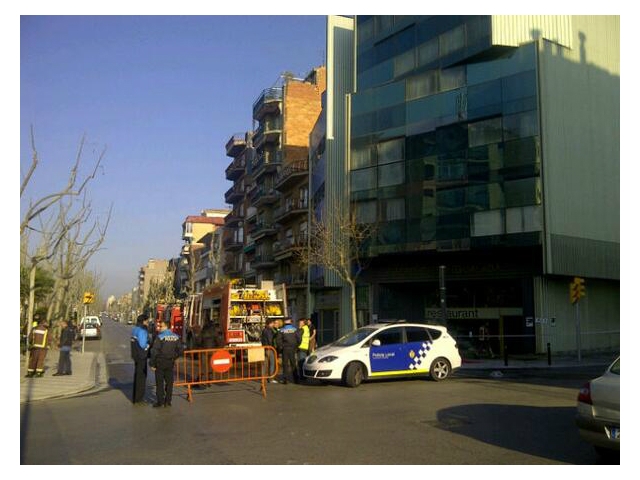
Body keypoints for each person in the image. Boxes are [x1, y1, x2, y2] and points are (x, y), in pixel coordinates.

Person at [150, 319, 184, 407]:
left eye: (161, 326)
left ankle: (160, 402)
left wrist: (152, 364)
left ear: (166, 327)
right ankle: (168, 401)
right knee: (169, 383)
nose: (159, 328)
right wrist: (174, 357)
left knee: (159, 383)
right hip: (170, 362)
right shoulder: (176, 337)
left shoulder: (160, 337)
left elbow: (154, 351)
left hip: (160, 362)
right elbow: (180, 350)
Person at [130, 314, 150, 405]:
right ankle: (139, 398)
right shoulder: (142, 331)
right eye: (147, 321)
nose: (148, 322)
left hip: (136, 355)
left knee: (137, 376)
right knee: (141, 377)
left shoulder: (135, 329)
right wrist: (148, 345)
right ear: (143, 321)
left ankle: (135, 397)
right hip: (142, 356)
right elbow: (143, 344)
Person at [276, 318, 301, 384]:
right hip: (292, 348)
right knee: (293, 364)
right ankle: (296, 379)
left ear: (284, 322)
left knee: (285, 364)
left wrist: (281, 347)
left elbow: (278, 340)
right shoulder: (295, 329)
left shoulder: (281, 330)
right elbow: (299, 339)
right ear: (291, 322)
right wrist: (296, 346)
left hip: (285, 349)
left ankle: (285, 380)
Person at [260, 318, 278, 383]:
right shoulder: (269, 330)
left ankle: (263, 378)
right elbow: (270, 340)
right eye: (273, 323)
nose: (274, 324)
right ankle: (271, 378)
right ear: (270, 323)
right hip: (270, 349)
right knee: (272, 363)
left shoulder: (264, 330)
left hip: (265, 348)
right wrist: (273, 346)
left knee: (265, 364)